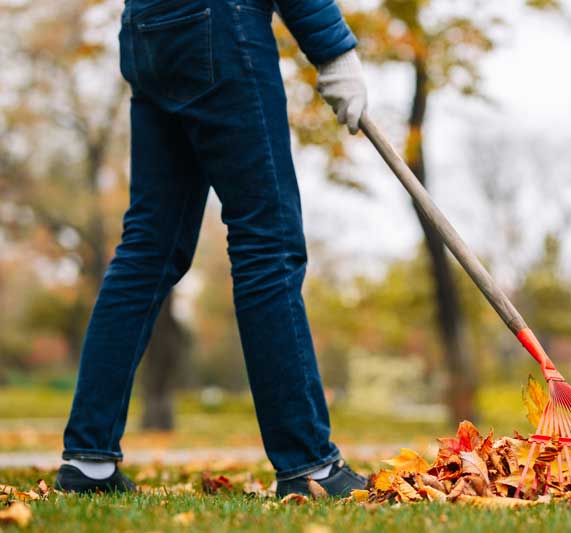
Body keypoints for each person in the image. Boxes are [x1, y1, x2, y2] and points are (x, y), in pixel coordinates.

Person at [54, 0, 368, 497]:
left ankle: (88, 462)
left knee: (147, 248)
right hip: (221, 25)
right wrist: (333, 49)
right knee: (268, 242)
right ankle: (310, 466)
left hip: (147, 27)